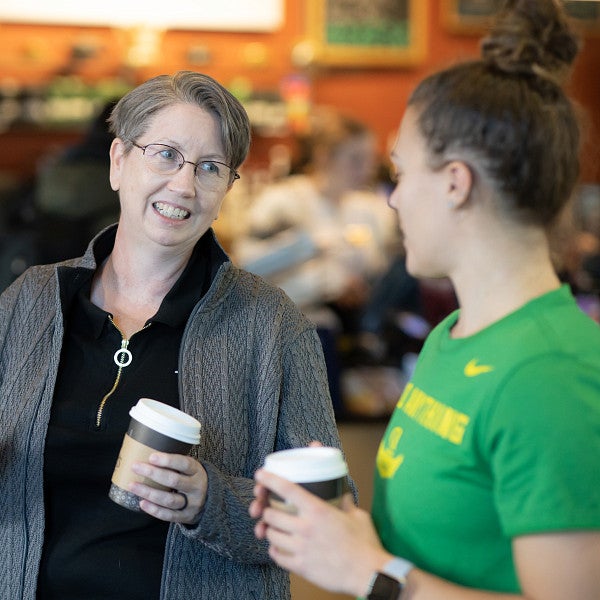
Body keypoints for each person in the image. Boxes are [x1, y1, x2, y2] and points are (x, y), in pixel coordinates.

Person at [250, 1, 600, 599]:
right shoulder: (453, 336)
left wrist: (371, 574)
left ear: (456, 183)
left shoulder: (550, 374)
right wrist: (345, 528)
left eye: (401, 173)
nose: (392, 200)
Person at [0, 71, 351, 600]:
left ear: (227, 188)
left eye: (210, 168)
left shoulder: (271, 326)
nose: (184, 185)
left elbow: (327, 511)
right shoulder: (30, 302)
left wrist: (208, 500)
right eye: (165, 154)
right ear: (118, 161)